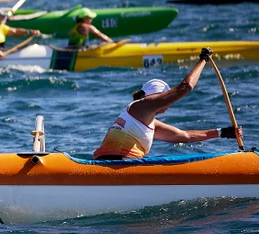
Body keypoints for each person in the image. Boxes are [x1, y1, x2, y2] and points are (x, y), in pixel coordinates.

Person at [93, 47, 243, 160]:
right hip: (115, 165)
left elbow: (184, 136)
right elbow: (185, 87)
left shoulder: (146, 119)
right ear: (157, 96)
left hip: (115, 164)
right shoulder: (142, 105)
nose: (168, 103)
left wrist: (223, 132)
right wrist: (203, 59)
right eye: (165, 95)